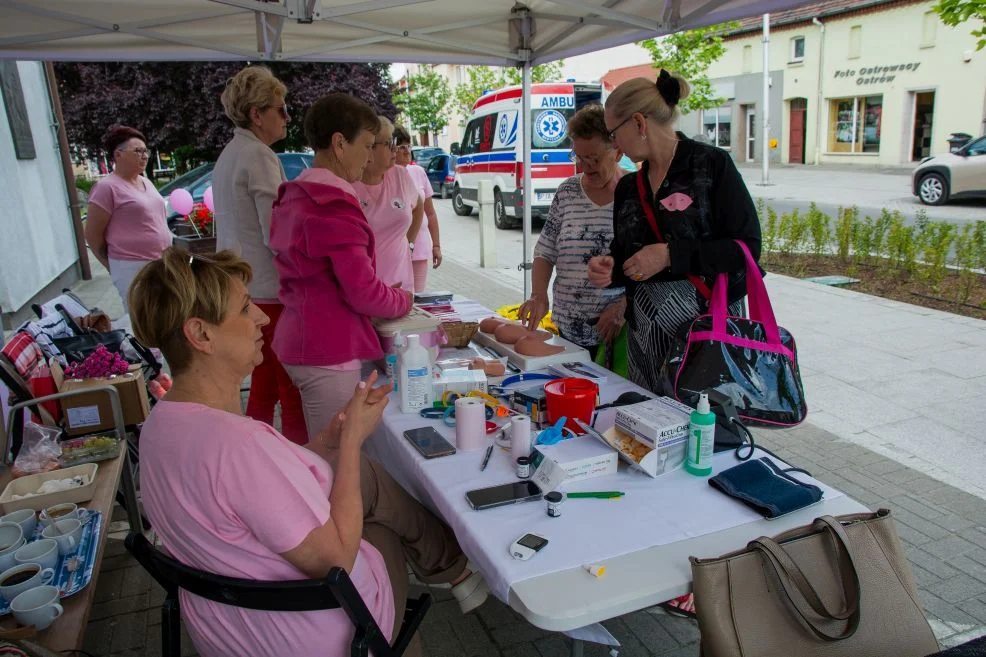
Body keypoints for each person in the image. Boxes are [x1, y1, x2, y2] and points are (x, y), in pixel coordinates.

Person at [128, 248, 487, 657]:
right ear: (201, 334)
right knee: (379, 527)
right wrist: (351, 442)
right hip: (304, 637)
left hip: (224, 627)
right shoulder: (238, 445)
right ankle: (447, 574)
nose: (263, 317)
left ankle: (449, 570)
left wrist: (328, 442)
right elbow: (335, 561)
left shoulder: (161, 425)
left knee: (377, 513)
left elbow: (251, 492)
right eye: (246, 309)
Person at [588, 72, 761, 394]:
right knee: (647, 425)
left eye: (614, 133)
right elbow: (625, 254)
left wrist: (670, 254)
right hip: (647, 338)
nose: (614, 144)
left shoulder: (710, 165)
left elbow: (747, 248)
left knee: (702, 430)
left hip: (708, 336)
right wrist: (611, 268)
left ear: (639, 123)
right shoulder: (628, 186)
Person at [269, 94, 413, 439]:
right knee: (335, 456)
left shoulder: (296, 193)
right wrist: (403, 300)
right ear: (339, 144)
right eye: (366, 145)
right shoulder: (331, 203)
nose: (368, 157)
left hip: (303, 339)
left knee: (328, 447)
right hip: (326, 349)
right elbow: (362, 292)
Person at [212, 65, 306, 444]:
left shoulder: (229, 154)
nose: (287, 117)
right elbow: (277, 233)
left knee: (264, 382)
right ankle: (305, 462)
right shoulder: (258, 156)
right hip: (270, 290)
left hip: (243, 286)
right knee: (290, 386)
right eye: (281, 109)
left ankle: (254, 453)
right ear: (257, 113)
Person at [517, 105, 627, 361]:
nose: (585, 166)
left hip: (615, 334)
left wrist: (624, 307)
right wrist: (538, 294)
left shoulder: (634, 194)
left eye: (594, 159)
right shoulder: (567, 191)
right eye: (578, 157)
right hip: (567, 330)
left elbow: (647, 268)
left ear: (618, 151)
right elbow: (545, 250)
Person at [84, 125, 172, 313]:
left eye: (145, 151)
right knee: (142, 317)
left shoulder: (145, 181)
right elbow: (92, 235)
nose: (144, 156)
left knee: (165, 315)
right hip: (131, 267)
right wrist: (112, 266)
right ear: (118, 155)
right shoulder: (107, 188)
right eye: (138, 151)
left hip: (160, 262)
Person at [351, 117, 423, 293]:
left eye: (395, 142)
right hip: (364, 290)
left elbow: (419, 206)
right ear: (369, 149)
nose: (395, 148)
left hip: (401, 285)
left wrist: (410, 243)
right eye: (389, 142)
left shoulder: (400, 175)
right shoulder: (349, 183)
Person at [393, 125, 442, 292]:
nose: (407, 151)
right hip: (394, 251)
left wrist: (436, 245)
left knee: (417, 299)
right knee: (398, 297)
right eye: (401, 147)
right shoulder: (384, 177)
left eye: (408, 146)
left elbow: (431, 214)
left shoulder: (418, 172)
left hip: (419, 248)